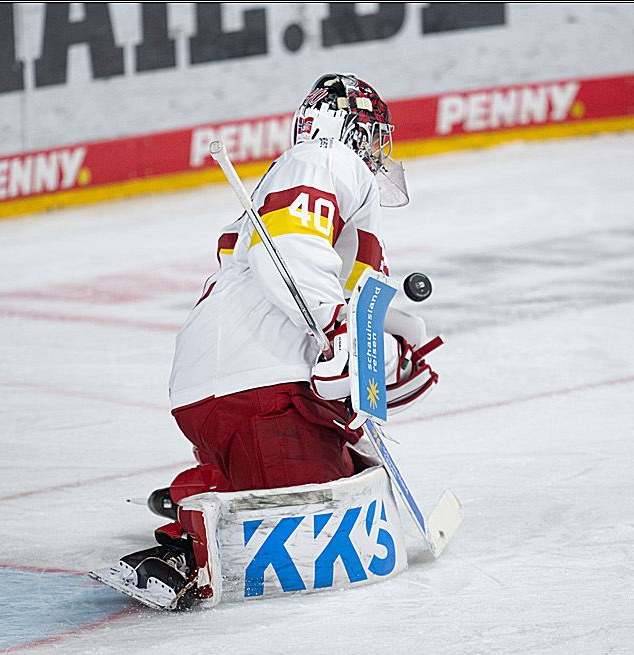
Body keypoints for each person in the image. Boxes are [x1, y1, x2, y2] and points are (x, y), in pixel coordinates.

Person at [117, 74, 440, 606]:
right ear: (347, 125)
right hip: (256, 383)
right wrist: (337, 328)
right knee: (327, 525)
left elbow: (343, 296)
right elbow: (289, 249)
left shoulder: (310, 180)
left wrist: (387, 351)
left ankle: (208, 485)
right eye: (374, 134)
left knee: (351, 478)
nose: (380, 151)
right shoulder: (327, 158)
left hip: (235, 382)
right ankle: (187, 541)